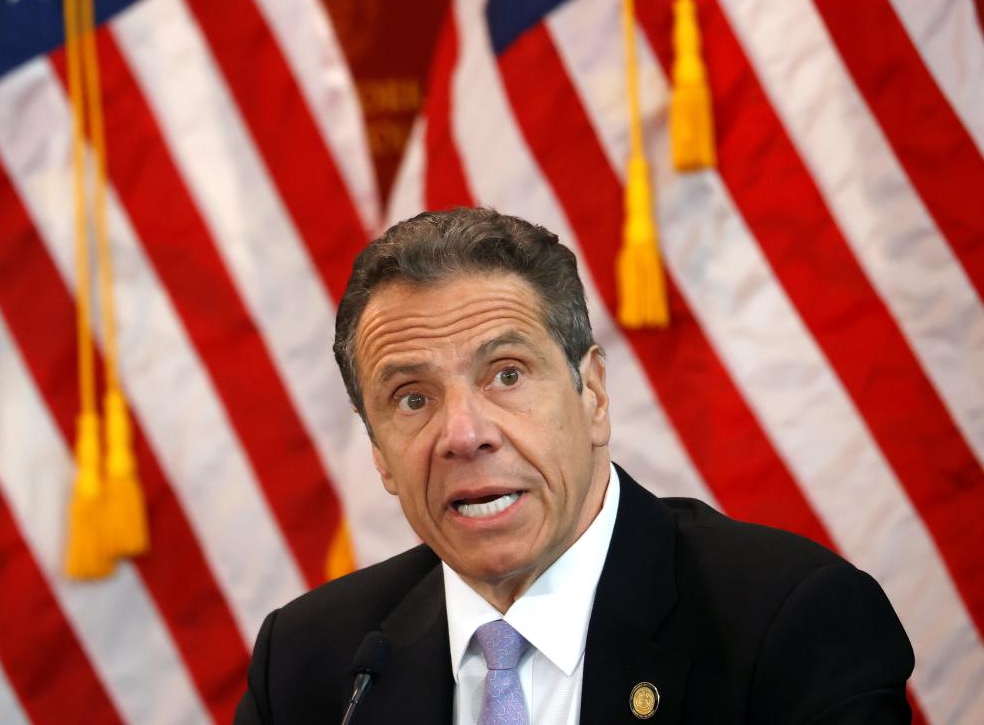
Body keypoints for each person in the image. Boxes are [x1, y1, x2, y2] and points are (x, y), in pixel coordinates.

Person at [234, 207, 913, 724]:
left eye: (506, 375)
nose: (463, 435)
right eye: (412, 398)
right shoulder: (309, 667)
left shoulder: (789, 625)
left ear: (592, 394)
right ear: (379, 454)